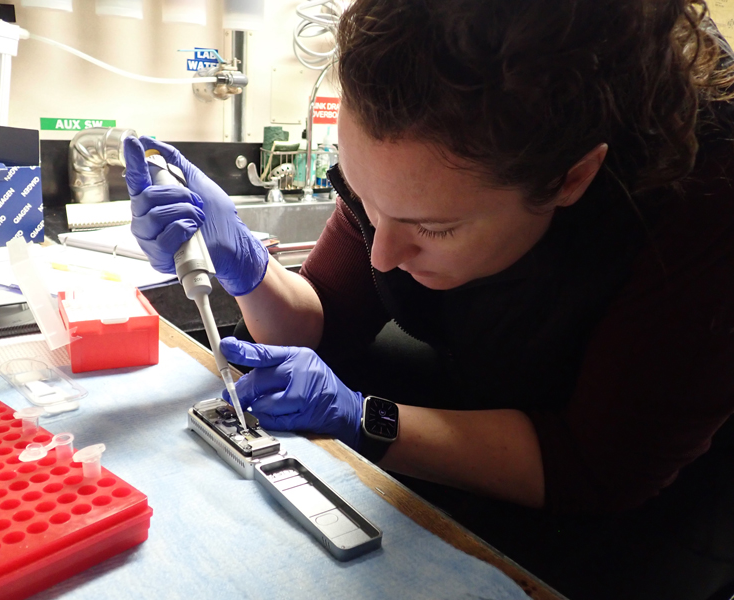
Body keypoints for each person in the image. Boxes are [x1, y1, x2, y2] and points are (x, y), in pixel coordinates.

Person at [124, 1, 734, 598]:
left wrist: (365, 417)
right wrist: (251, 271)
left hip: (633, 493)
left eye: (433, 228)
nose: (381, 254)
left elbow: (595, 464)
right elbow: (327, 317)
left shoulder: (705, 202)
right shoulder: (420, 134)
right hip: (485, 412)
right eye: (365, 199)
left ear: (570, 179)